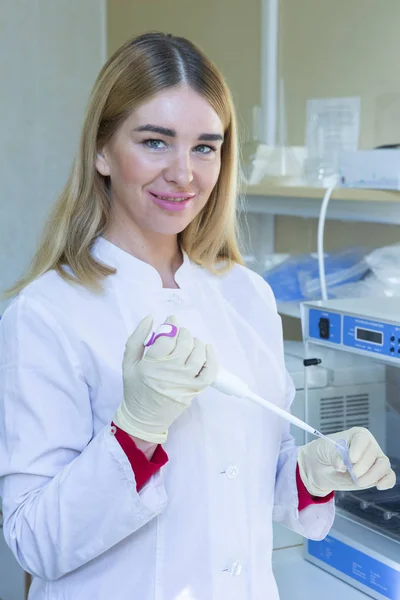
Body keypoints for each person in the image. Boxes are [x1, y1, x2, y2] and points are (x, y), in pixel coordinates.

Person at [0, 32, 395, 600]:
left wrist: (310, 473)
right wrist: (133, 432)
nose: (184, 173)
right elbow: (33, 542)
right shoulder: (46, 312)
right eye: (156, 142)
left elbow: (247, 479)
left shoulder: (246, 295)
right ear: (102, 150)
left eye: (205, 147)